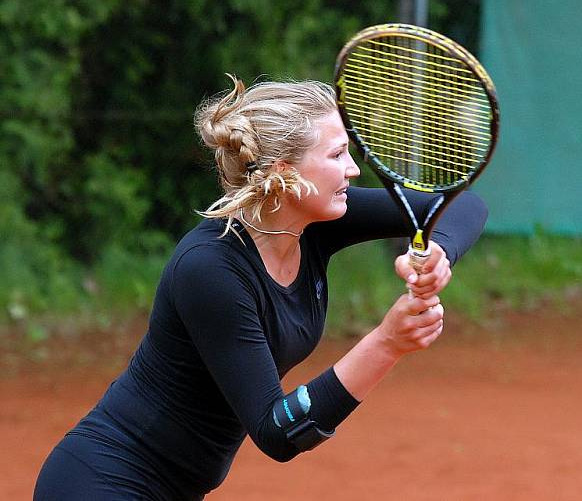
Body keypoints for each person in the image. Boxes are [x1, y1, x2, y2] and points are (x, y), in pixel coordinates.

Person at [34, 75, 488, 500]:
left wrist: (439, 253)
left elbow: (461, 204)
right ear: (286, 171)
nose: (352, 170)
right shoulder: (211, 270)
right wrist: (387, 343)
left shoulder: (314, 223)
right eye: (336, 155)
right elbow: (279, 432)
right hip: (101, 482)